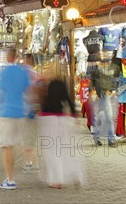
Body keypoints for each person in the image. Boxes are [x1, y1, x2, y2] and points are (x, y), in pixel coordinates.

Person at [36, 61, 84, 189]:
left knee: (51, 151)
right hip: (61, 118)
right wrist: (75, 115)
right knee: (63, 149)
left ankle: (56, 180)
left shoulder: (48, 85)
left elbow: (45, 103)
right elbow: (68, 100)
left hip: (48, 119)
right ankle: (75, 174)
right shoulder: (62, 84)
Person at [0, 48, 30, 190]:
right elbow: (27, 90)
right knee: (16, 145)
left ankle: (10, 179)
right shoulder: (23, 72)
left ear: (7, 57)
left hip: (6, 113)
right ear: (16, 57)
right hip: (20, 112)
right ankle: (18, 169)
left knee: (6, 146)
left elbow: (0, 92)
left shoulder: (4, 72)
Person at [22, 53, 42, 173]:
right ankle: (33, 162)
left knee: (28, 138)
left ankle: (31, 163)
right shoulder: (37, 75)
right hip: (35, 109)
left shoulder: (26, 74)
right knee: (31, 138)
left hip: (28, 110)